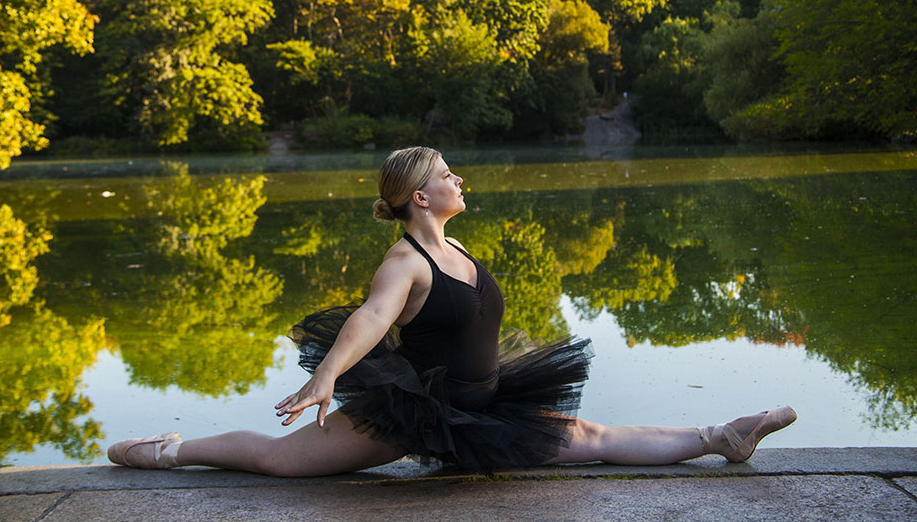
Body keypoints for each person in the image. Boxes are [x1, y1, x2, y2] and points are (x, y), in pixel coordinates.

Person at [108, 146, 796, 475]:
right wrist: (326, 376)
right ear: (419, 197)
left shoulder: (458, 243)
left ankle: (719, 433)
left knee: (594, 435)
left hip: (488, 402)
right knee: (282, 462)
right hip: (419, 408)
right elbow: (372, 318)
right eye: (446, 176)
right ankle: (171, 449)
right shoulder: (404, 260)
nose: (458, 179)